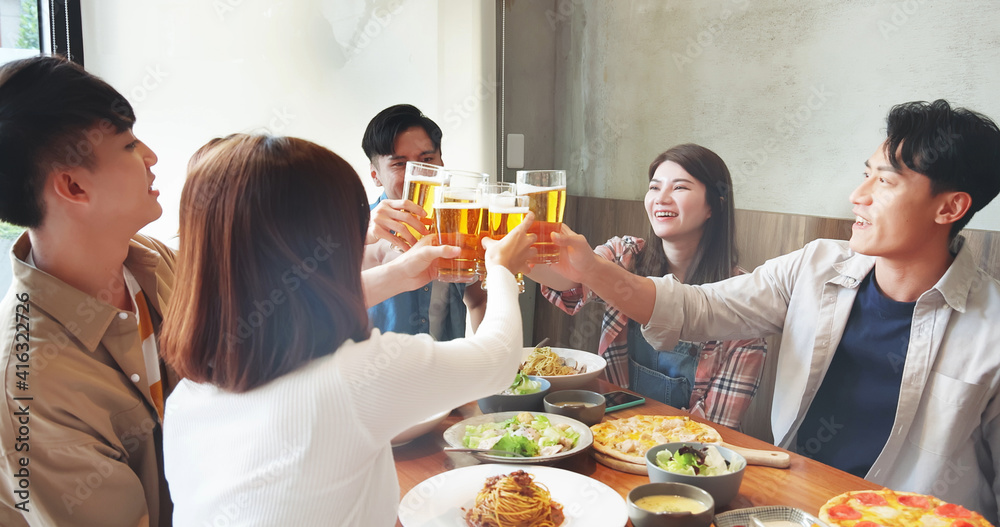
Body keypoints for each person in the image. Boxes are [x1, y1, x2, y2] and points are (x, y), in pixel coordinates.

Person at [548, 100, 1000, 523]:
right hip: (793, 506)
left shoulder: (991, 325)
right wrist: (588, 267)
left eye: (884, 181)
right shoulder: (816, 265)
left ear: (950, 207)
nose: (857, 195)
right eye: (866, 175)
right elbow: (697, 306)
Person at [159, 133, 535, 526]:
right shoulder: (354, 378)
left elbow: (284, 306)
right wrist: (503, 271)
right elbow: (499, 359)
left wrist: (398, 275)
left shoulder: (187, 396)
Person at [0, 56, 176, 526]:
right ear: (74, 186)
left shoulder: (152, 260)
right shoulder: (30, 377)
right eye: (130, 144)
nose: (151, 157)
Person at [529, 144, 766, 429]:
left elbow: (714, 428)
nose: (661, 199)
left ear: (713, 206)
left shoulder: (743, 303)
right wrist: (508, 255)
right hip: (610, 430)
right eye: (654, 187)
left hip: (682, 457)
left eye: (679, 188)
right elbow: (570, 282)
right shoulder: (626, 257)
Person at [361, 104, 488, 337]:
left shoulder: (464, 224)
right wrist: (361, 237)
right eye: (399, 164)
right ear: (375, 175)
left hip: (447, 370)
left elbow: (479, 300)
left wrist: (490, 363)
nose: (417, 174)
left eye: (427, 159)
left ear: (442, 165)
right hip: (376, 372)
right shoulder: (350, 230)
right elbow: (313, 304)